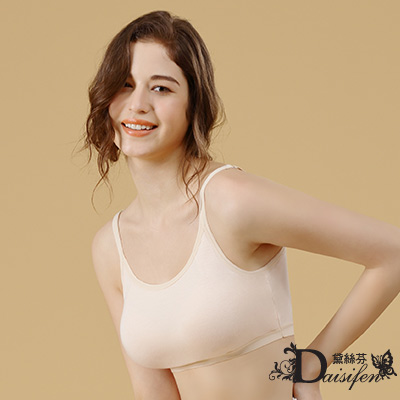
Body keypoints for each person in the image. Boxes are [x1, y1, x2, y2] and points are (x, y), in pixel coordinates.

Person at [81, 10, 400, 400]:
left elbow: (392, 252)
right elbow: (152, 391)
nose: (138, 104)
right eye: (125, 84)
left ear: (193, 104)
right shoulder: (110, 248)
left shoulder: (229, 201)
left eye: (161, 88)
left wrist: (310, 364)